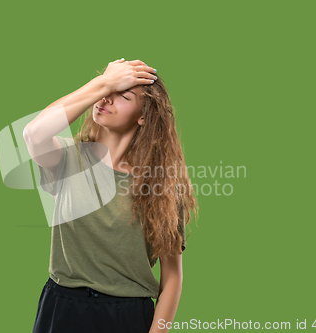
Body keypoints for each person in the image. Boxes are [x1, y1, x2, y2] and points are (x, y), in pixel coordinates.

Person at [23, 58, 198, 333]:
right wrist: (104, 82)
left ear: (143, 116)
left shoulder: (163, 185)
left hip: (126, 316)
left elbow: (172, 277)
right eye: (107, 91)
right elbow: (33, 133)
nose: (106, 98)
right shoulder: (68, 159)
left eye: (123, 95)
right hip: (61, 307)